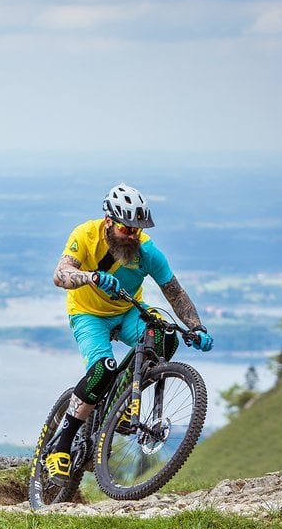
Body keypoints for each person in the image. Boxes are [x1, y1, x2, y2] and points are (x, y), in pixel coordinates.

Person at [45, 183, 213, 483]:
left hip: (126, 310)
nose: (133, 235)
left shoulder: (147, 250)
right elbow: (61, 275)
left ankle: (122, 402)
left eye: (138, 229)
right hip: (88, 313)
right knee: (102, 370)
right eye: (126, 228)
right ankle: (62, 446)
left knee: (164, 337)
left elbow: (174, 292)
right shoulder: (85, 235)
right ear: (109, 221)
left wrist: (196, 327)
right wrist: (91, 276)